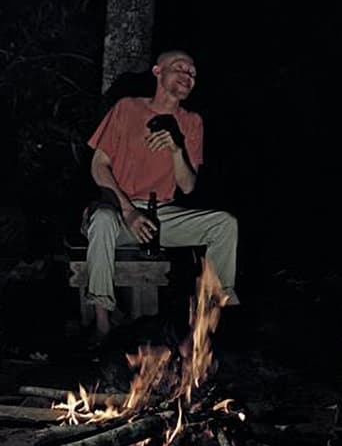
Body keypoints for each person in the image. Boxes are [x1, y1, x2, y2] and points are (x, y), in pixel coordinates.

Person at [84, 49, 239, 338]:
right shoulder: (127, 108)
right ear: (158, 71)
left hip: (160, 216)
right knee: (103, 220)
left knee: (225, 224)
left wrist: (176, 149)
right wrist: (128, 211)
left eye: (192, 73)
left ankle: (209, 318)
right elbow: (98, 166)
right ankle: (102, 323)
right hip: (117, 210)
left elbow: (188, 187)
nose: (188, 76)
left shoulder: (192, 122)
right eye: (180, 68)